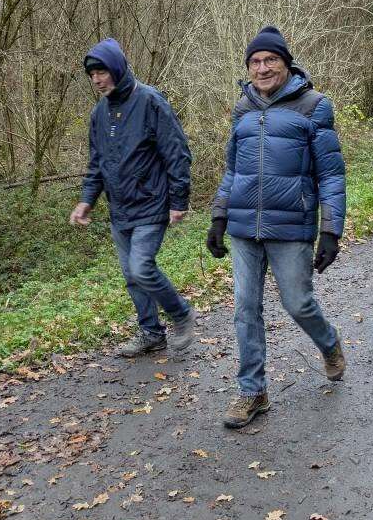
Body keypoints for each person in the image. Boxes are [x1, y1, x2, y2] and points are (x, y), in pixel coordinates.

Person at [206, 25, 346, 430]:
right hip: (244, 226)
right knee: (245, 308)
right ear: (248, 67)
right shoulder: (242, 109)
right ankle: (253, 391)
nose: (263, 68)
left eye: (271, 60)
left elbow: (331, 174)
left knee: (298, 303)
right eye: (255, 61)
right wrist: (219, 216)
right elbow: (233, 170)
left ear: (286, 64)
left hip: (291, 225)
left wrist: (331, 230)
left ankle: (329, 343)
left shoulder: (314, 106)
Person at [69, 38, 196, 356]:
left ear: (117, 69)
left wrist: (179, 200)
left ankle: (181, 314)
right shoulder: (99, 113)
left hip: (151, 203)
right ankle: (151, 333)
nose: (96, 80)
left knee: (141, 268)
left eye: (101, 72)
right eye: (92, 75)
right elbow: (97, 164)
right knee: (131, 276)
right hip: (120, 209)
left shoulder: (150, 101)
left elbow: (177, 153)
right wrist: (87, 200)